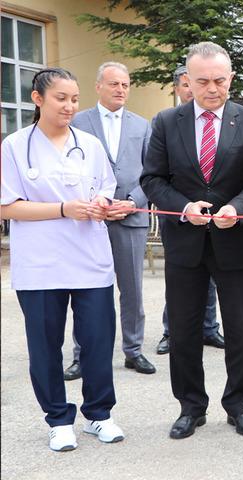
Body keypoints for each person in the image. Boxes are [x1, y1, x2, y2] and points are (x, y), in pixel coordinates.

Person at [141, 41, 243, 439]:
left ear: (230, 78)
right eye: (202, 81)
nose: (212, 88)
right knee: (183, 328)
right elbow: (152, 180)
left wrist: (239, 208)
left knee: (240, 328)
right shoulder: (166, 121)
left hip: (235, 240)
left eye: (219, 80)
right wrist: (183, 207)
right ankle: (190, 407)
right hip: (185, 242)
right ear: (187, 81)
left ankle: (240, 405)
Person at [1, 67, 125, 451]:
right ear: (38, 99)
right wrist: (62, 209)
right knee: (45, 345)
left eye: (74, 98)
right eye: (61, 98)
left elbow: (106, 186)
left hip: (90, 260)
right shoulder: (14, 147)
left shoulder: (88, 143)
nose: (70, 106)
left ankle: (99, 415)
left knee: (98, 342)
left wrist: (105, 204)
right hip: (40, 266)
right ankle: (58, 418)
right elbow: (7, 207)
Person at [62, 62, 156, 380]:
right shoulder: (78, 121)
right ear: (98, 86)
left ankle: (133, 350)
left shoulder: (142, 126)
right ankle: (82, 354)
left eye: (125, 85)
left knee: (132, 290)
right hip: (89, 219)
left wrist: (133, 202)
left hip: (131, 217)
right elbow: (67, 169)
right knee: (86, 289)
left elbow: (153, 173)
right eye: (114, 84)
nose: (120, 90)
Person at [155, 65, 226, 356]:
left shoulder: (225, 121)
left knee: (211, 277)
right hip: (180, 215)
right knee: (181, 282)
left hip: (219, 218)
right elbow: (155, 174)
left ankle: (209, 327)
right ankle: (172, 331)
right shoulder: (165, 122)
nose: (192, 90)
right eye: (187, 85)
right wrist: (183, 206)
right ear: (179, 88)